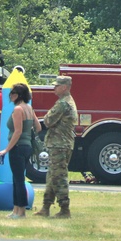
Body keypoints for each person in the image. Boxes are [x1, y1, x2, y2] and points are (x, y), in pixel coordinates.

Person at [35, 75, 78, 218]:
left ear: (64, 87)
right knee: (52, 176)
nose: (54, 88)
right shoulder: (67, 102)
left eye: (57, 85)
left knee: (58, 177)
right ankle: (45, 207)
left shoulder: (63, 104)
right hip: (61, 144)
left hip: (59, 144)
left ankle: (64, 209)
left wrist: (47, 116)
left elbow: (47, 121)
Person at [0, 83, 41, 219]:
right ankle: (16, 210)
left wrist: (6, 149)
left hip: (17, 147)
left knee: (18, 180)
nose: (11, 96)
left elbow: (17, 131)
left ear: (18, 95)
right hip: (27, 147)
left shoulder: (18, 110)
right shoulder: (29, 108)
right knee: (18, 179)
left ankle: (21, 212)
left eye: (13, 93)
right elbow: (38, 127)